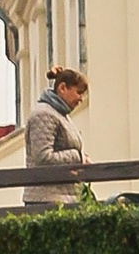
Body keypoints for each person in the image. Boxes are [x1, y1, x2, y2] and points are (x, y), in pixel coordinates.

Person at [23, 65, 91, 207]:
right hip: (46, 199)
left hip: (62, 197)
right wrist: (78, 157)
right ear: (62, 88)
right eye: (79, 93)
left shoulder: (59, 115)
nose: (81, 99)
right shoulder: (44, 115)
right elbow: (43, 157)